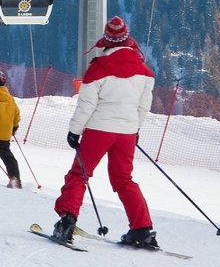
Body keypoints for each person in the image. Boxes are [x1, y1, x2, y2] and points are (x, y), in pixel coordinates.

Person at [52, 16, 157, 248]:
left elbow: (87, 105)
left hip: (99, 129)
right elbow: (143, 106)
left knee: (80, 174)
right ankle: (142, 229)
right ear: (127, 39)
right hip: (127, 132)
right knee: (123, 179)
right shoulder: (144, 72)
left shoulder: (98, 68)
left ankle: (67, 221)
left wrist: (74, 131)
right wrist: (135, 129)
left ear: (107, 40)